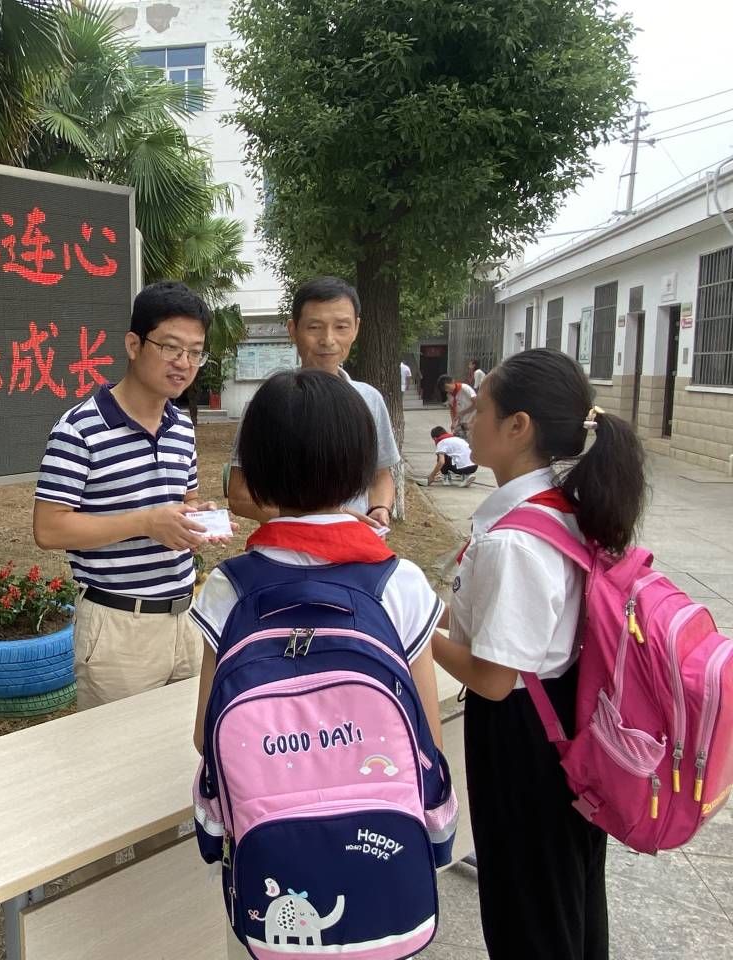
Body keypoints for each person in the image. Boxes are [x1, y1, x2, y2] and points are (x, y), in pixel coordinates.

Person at [190, 370, 447, 960]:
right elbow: (426, 736)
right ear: (360, 471)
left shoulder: (230, 589)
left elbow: (207, 734)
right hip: (383, 861)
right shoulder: (398, 583)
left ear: (255, 477)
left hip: (270, 862)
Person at [432, 348, 646, 960]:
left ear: (517, 426)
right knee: (565, 897)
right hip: (566, 719)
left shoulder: (515, 543)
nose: (469, 418)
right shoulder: (563, 509)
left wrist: (414, 630)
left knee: (528, 911)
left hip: (526, 741)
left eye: (481, 408)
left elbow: (494, 678)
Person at [33, 281, 230, 710]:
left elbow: (184, 500)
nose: (184, 363)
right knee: (116, 748)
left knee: (181, 742)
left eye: (195, 352)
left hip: (185, 617)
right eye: (171, 347)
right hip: (118, 626)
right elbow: (48, 529)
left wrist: (196, 516)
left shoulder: (181, 426)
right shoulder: (78, 430)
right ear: (134, 345)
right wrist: (145, 522)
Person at [227, 277, 398, 531]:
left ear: (356, 328)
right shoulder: (270, 403)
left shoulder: (370, 399)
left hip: (357, 544)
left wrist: (380, 508)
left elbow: (381, 474)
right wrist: (320, 519)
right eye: (315, 327)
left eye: (341, 327)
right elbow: (239, 495)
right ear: (293, 329)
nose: (328, 339)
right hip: (290, 546)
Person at [438, 373, 477, 437]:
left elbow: (477, 403)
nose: (447, 390)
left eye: (447, 387)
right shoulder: (449, 395)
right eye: (445, 389)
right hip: (462, 422)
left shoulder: (465, 388)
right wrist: (453, 422)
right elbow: (452, 410)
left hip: (472, 420)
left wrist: (462, 412)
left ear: (452, 382)